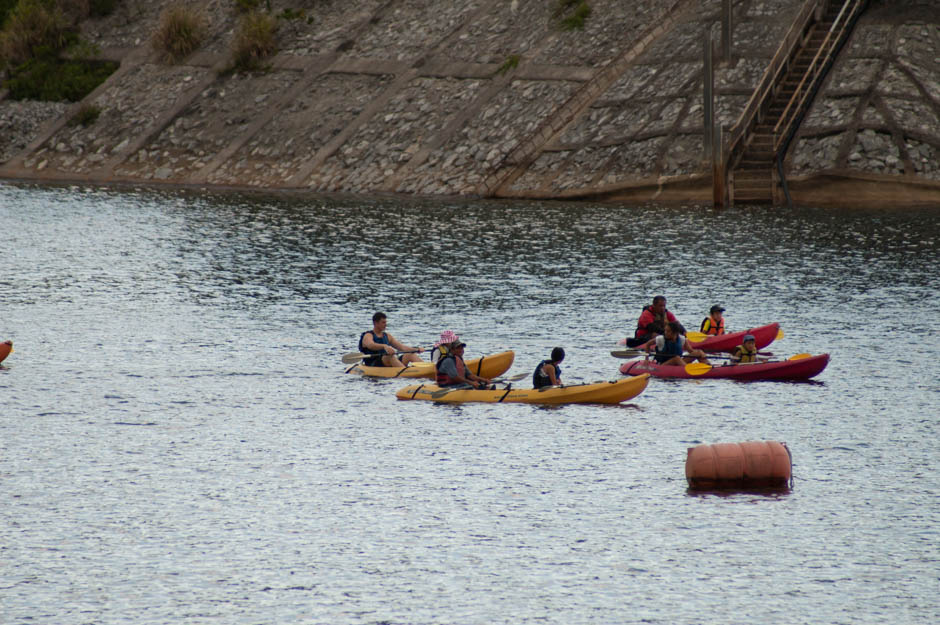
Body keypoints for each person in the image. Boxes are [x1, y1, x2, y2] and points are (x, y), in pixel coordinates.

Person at [358, 311, 423, 367]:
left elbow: (402, 348)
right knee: (389, 356)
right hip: (373, 363)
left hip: (388, 361)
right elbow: (371, 345)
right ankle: (405, 371)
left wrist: (416, 349)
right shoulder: (368, 335)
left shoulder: (387, 336)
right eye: (383, 322)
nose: (385, 325)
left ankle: (427, 368)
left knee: (410, 354)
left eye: (385, 322)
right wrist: (384, 346)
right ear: (375, 323)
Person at [642, 321, 710, 366]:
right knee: (676, 358)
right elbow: (648, 344)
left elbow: (691, 351)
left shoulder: (682, 339)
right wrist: (646, 359)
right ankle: (687, 370)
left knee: (699, 352)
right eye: (665, 330)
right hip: (664, 364)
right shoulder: (661, 339)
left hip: (679, 362)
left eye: (668, 331)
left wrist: (700, 354)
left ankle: (709, 367)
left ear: (675, 333)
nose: (666, 333)